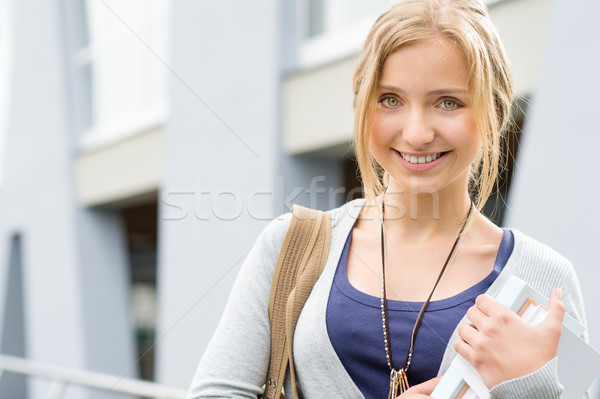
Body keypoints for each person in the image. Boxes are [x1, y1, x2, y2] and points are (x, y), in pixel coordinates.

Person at [188, 0, 588, 398]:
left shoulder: (547, 279)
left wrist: (529, 383)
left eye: (448, 102)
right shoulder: (290, 248)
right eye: (391, 100)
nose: (415, 134)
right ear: (362, 106)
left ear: (495, 114)